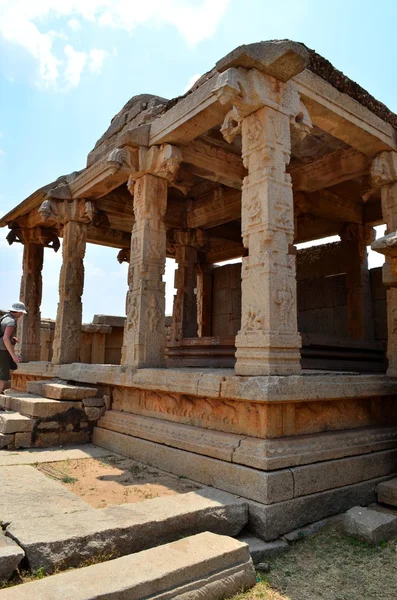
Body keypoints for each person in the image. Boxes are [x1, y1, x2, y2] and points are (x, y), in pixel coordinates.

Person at [0, 301, 27, 394]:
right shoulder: (11, 322)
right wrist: (13, 355)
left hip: (2, 348)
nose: (22, 314)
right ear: (18, 311)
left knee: (12, 367)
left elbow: (4, 334)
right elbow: (5, 338)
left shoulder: (4, 318)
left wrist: (12, 339)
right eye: (21, 312)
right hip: (3, 350)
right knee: (3, 376)